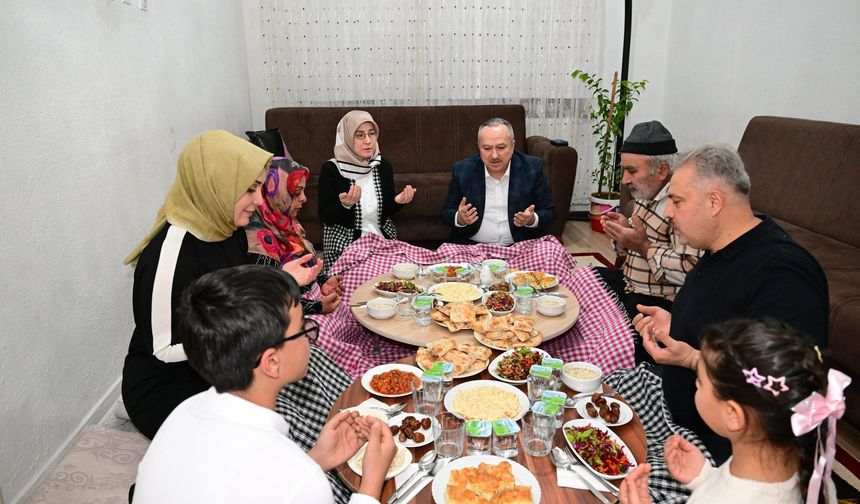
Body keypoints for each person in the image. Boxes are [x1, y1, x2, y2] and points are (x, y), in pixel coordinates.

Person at [632, 144, 829, 464]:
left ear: (714, 202)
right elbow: (721, 321)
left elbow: (788, 390)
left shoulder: (784, 275)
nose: (667, 212)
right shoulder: (720, 247)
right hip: (678, 414)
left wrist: (692, 359)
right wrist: (677, 323)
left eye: (677, 201)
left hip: (724, 454)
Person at [133, 265, 396, 503]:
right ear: (271, 362)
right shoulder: (299, 479)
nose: (310, 337)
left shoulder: (183, 412)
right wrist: (371, 483)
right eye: (303, 328)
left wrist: (317, 458)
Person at [121, 130, 321, 440]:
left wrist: (283, 279)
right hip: (170, 387)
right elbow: (162, 350)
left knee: (305, 370)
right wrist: (244, 340)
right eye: (250, 190)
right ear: (216, 185)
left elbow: (237, 295)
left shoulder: (228, 227)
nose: (259, 200)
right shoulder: (170, 255)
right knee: (259, 438)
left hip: (221, 366)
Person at [619, 318, 844, 504]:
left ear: (733, 415)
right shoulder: (812, 472)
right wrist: (705, 477)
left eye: (701, 381)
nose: (696, 384)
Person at [595, 121, 702, 364]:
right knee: (582, 279)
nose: (624, 180)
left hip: (659, 302)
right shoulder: (645, 193)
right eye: (624, 171)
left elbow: (691, 270)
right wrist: (623, 233)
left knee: (612, 341)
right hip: (630, 283)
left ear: (662, 170)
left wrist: (643, 246)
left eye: (632, 171)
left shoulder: (681, 205)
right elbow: (633, 246)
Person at [318, 110, 416, 271]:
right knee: (365, 279)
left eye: (372, 134)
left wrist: (398, 202)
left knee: (406, 274)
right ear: (347, 138)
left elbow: (385, 213)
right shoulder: (332, 169)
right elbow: (325, 217)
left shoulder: (382, 166)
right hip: (346, 243)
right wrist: (345, 206)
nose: (368, 141)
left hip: (380, 238)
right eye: (360, 135)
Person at [246, 156, 344, 314]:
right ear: (276, 192)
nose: (304, 198)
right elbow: (268, 298)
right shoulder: (259, 241)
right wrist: (315, 307)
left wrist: (322, 281)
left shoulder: (285, 222)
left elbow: (303, 266)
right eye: (297, 192)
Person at [441, 118, 554, 245]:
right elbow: (447, 211)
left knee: (553, 253)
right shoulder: (462, 170)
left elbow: (548, 212)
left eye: (501, 147)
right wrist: (460, 218)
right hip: (472, 247)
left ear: (512, 145)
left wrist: (531, 219)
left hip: (520, 248)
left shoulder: (532, 167)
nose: (494, 155)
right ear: (478, 146)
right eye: (487, 148)